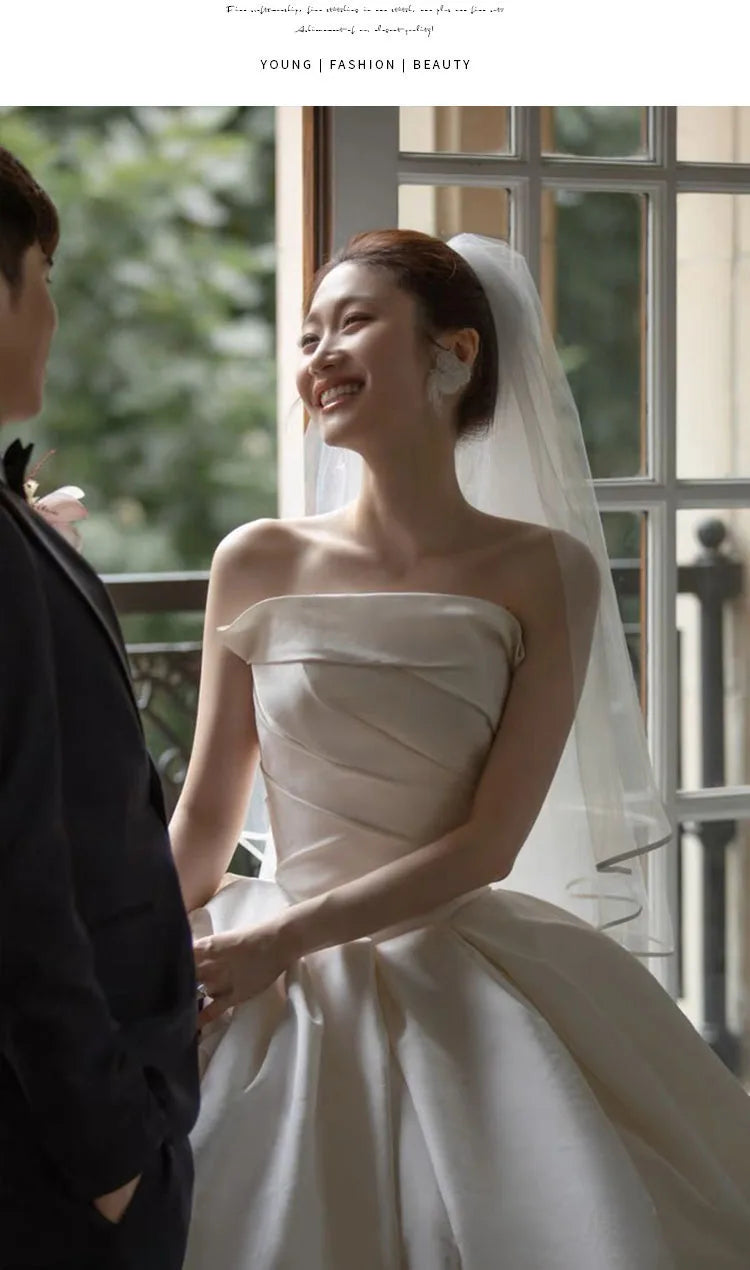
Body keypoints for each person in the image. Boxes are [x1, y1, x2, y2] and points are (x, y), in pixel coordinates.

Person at [173, 228, 750, 1269]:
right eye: (308, 335)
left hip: (447, 958)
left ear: (456, 351)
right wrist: (113, 949)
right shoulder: (255, 558)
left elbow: (490, 843)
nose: (319, 354)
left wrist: (286, 940)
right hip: (266, 978)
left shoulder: (547, 570)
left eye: (353, 322)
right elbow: (208, 818)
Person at [0, 147, 200, 1269]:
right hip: (53, 1159)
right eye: (45, 275)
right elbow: (17, 875)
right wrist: (113, 1155)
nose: (53, 313)